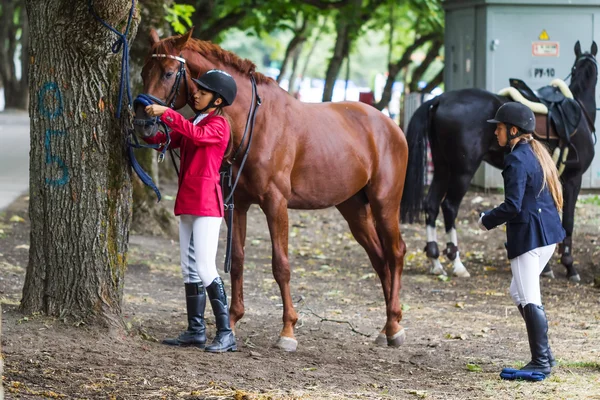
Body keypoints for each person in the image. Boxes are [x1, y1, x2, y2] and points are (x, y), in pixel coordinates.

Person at [143, 69, 238, 353]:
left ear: (218, 101)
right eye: (197, 90)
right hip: (189, 200)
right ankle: (195, 330)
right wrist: (147, 132)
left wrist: (167, 113)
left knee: (205, 267)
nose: (196, 94)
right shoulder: (196, 120)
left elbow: (194, 135)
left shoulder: (219, 125)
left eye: (203, 92)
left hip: (207, 204)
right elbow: (172, 140)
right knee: (188, 268)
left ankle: (226, 333)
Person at [478, 102, 565, 379]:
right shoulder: (535, 153)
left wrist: (486, 219)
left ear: (513, 130)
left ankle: (540, 362)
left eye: (500, 128)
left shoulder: (516, 159)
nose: (496, 133)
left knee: (529, 297)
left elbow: (512, 206)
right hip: (548, 235)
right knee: (518, 292)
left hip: (530, 237)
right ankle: (546, 354)